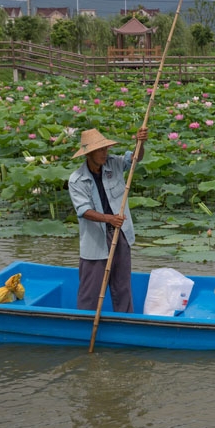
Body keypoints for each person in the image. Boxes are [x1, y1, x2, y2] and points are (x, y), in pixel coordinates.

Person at [69, 127, 148, 313]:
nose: (105, 153)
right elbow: (84, 211)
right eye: (100, 150)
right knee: (90, 291)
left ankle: (124, 321)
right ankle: (84, 322)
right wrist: (109, 219)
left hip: (120, 233)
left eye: (105, 149)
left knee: (122, 287)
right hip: (96, 240)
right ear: (89, 154)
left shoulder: (114, 164)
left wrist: (140, 143)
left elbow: (135, 158)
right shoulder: (77, 180)